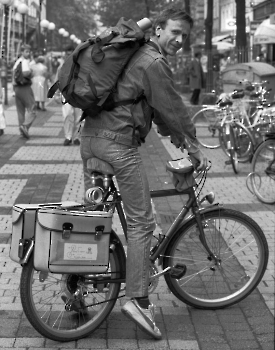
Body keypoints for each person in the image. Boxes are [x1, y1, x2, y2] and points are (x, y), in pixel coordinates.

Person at [80, 6, 208, 340]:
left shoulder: (131, 56)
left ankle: (75, 287)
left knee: (95, 218)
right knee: (140, 223)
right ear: (158, 30)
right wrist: (193, 147)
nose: (179, 40)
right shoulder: (153, 61)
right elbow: (172, 108)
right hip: (117, 145)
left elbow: (158, 112)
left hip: (91, 141)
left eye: (184, 36)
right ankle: (138, 299)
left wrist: (177, 137)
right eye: (175, 32)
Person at [57, 45, 81, 146]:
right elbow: (57, 79)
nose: (69, 54)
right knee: (67, 115)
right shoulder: (62, 66)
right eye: (67, 52)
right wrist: (55, 94)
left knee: (78, 117)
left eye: (71, 52)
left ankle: (76, 137)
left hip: (78, 93)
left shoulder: (80, 64)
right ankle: (68, 136)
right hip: (66, 93)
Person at [12, 44, 37, 139]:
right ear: (22, 52)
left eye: (29, 51)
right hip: (24, 87)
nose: (28, 53)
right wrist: (32, 72)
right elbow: (26, 73)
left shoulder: (17, 62)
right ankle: (25, 126)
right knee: (32, 109)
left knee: (20, 111)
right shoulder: (25, 61)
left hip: (17, 88)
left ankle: (22, 130)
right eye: (26, 51)